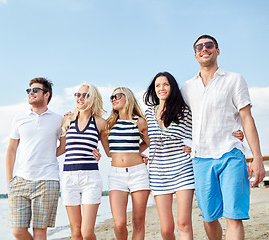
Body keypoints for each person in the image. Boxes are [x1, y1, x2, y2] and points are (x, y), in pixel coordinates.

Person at [181, 35, 265, 240]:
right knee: (209, 219)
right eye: (199, 47)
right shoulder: (186, 88)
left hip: (231, 154)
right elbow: (178, 121)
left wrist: (257, 157)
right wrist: (185, 144)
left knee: (233, 217)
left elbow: (247, 118)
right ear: (195, 55)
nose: (204, 49)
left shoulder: (234, 79)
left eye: (208, 45)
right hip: (201, 159)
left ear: (217, 51)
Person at [6, 77, 63, 240]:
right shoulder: (19, 118)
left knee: (40, 232)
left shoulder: (58, 119)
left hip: (48, 179)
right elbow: (11, 150)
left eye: (35, 90)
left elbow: (64, 146)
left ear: (47, 94)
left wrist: (48, 154)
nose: (30, 93)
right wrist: (9, 180)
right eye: (29, 91)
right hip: (21, 180)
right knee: (17, 231)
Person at [143, 72, 195, 240]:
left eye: (165, 84)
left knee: (183, 223)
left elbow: (202, 129)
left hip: (183, 168)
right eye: (158, 85)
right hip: (158, 172)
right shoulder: (149, 113)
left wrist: (193, 147)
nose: (161, 88)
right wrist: (140, 155)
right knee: (166, 229)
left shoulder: (184, 111)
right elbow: (141, 139)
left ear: (172, 87)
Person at [56, 83, 109, 240]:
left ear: (93, 98)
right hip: (68, 178)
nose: (80, 98)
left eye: (85, 95)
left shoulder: (100, 122)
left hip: (90, 178)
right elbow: (61, 148)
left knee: (87, 232)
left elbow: (110, 152)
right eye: (77, 94)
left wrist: (137, 154)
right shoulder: (67, 119)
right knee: (76, 232)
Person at [106, 87, 151, 240]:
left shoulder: (140, 121)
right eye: (112, 97)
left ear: (128, 97)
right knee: (119, 223)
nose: (114, 99)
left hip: (138, 173)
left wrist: (135, 152)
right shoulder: (109, 124)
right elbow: (107, 152)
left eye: (117, 95)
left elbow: (148, 142)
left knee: (138, 222)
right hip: (116, 175)